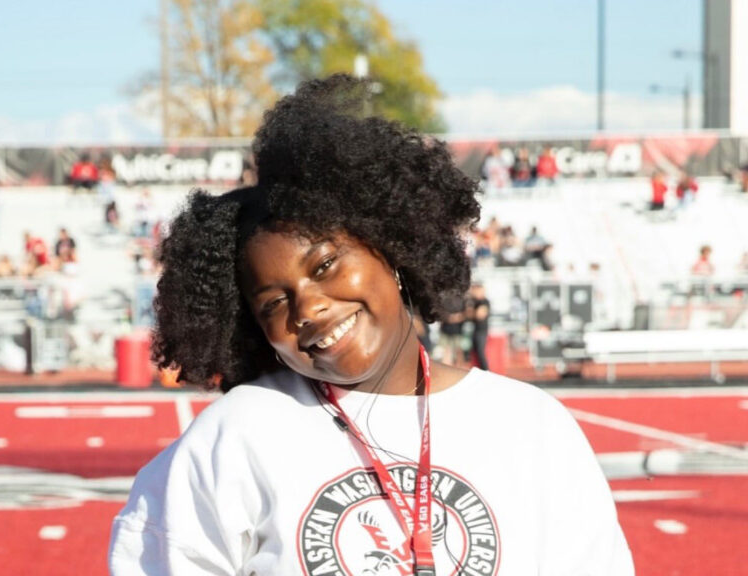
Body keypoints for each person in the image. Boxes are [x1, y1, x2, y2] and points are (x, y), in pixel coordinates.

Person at [109, 75, 633, 575]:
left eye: (324, 266)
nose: (307, 308)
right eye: (273, 303)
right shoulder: (238, 434)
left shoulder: (531, 424)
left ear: (391, 248)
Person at [466, 282, 491, 371]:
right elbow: (468, 314)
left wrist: (471, 312)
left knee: (480, 352)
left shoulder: (484, 302)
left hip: (481, 331)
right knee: (474, 353)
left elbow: (478, 315)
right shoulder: (473, 301)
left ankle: (486, 370)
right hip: (475, 330)